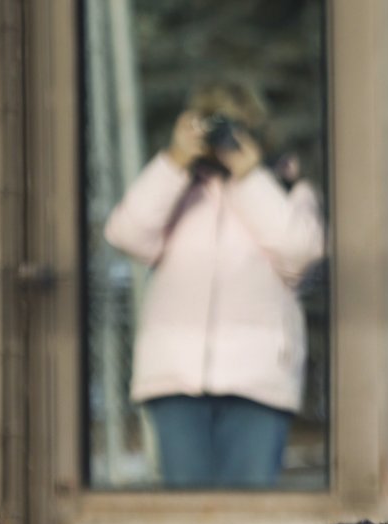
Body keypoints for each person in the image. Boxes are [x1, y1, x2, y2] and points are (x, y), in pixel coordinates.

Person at [105, 80, 325, 488]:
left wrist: (249, 177)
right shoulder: (176, 188)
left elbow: (301, 252)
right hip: (174, 376)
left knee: (249, 513)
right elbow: (126, 234)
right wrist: (174, 161)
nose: (222, 140)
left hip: (258, 378)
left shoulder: (286, 187)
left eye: (234, 126)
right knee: (186, 509)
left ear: (256, 130)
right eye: (211, 126)